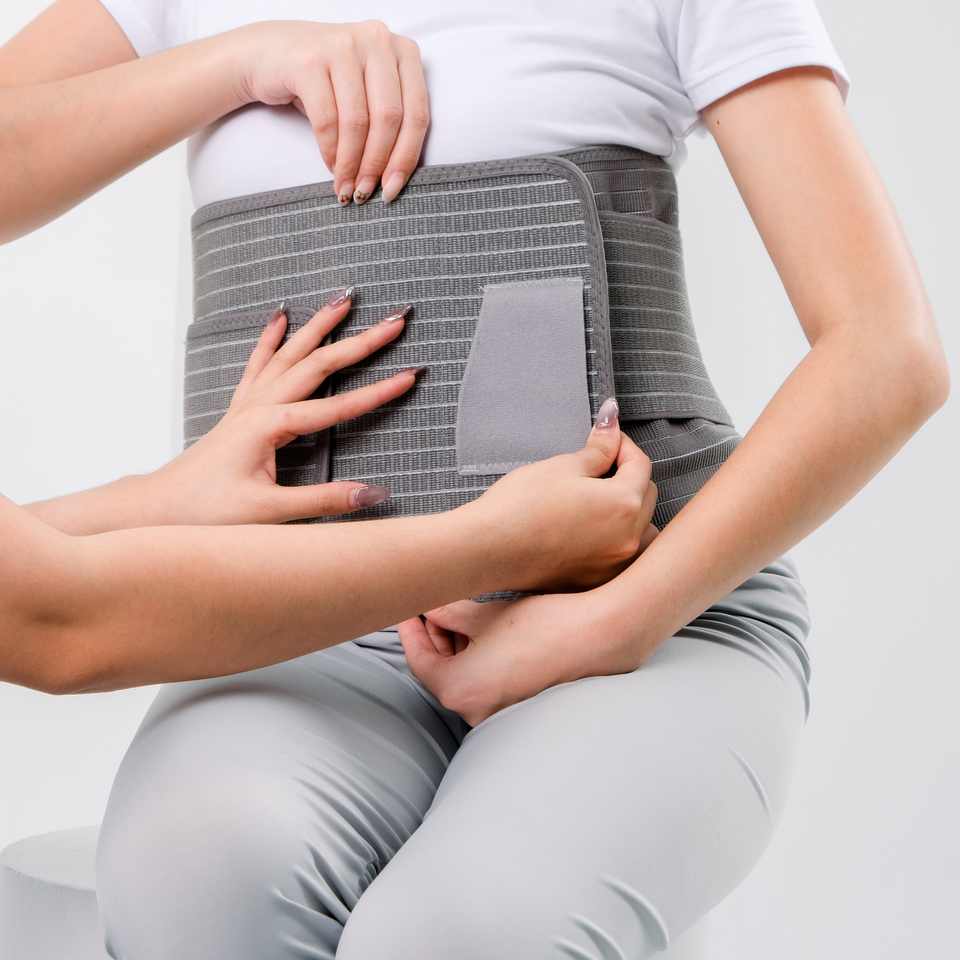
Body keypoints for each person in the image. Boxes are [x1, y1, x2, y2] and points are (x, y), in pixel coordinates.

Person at [0, 2, 949, 958]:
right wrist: (244, 57)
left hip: (653, 601)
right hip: (291, 625)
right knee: (194, 888)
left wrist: (619, 622)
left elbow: (887, 351)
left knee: (463, 935)